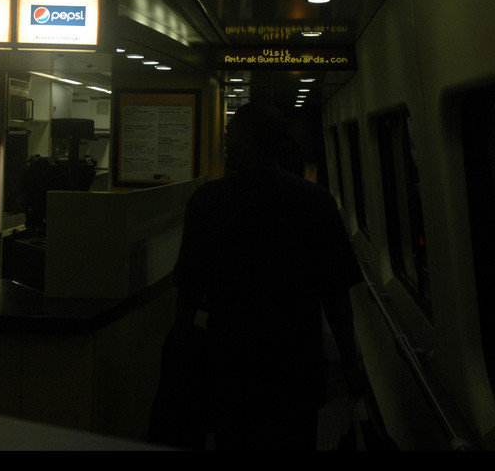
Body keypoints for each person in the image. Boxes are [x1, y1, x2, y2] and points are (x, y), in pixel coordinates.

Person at [148, 102, 365, 450]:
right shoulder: (316, 202)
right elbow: (335, 294)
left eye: (230, 135)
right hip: (296, 364)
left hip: (232, 364)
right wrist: (350, 362)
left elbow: (188, 290)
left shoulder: (207, 202)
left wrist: (183, 351)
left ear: (247, 141)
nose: (225, 142)